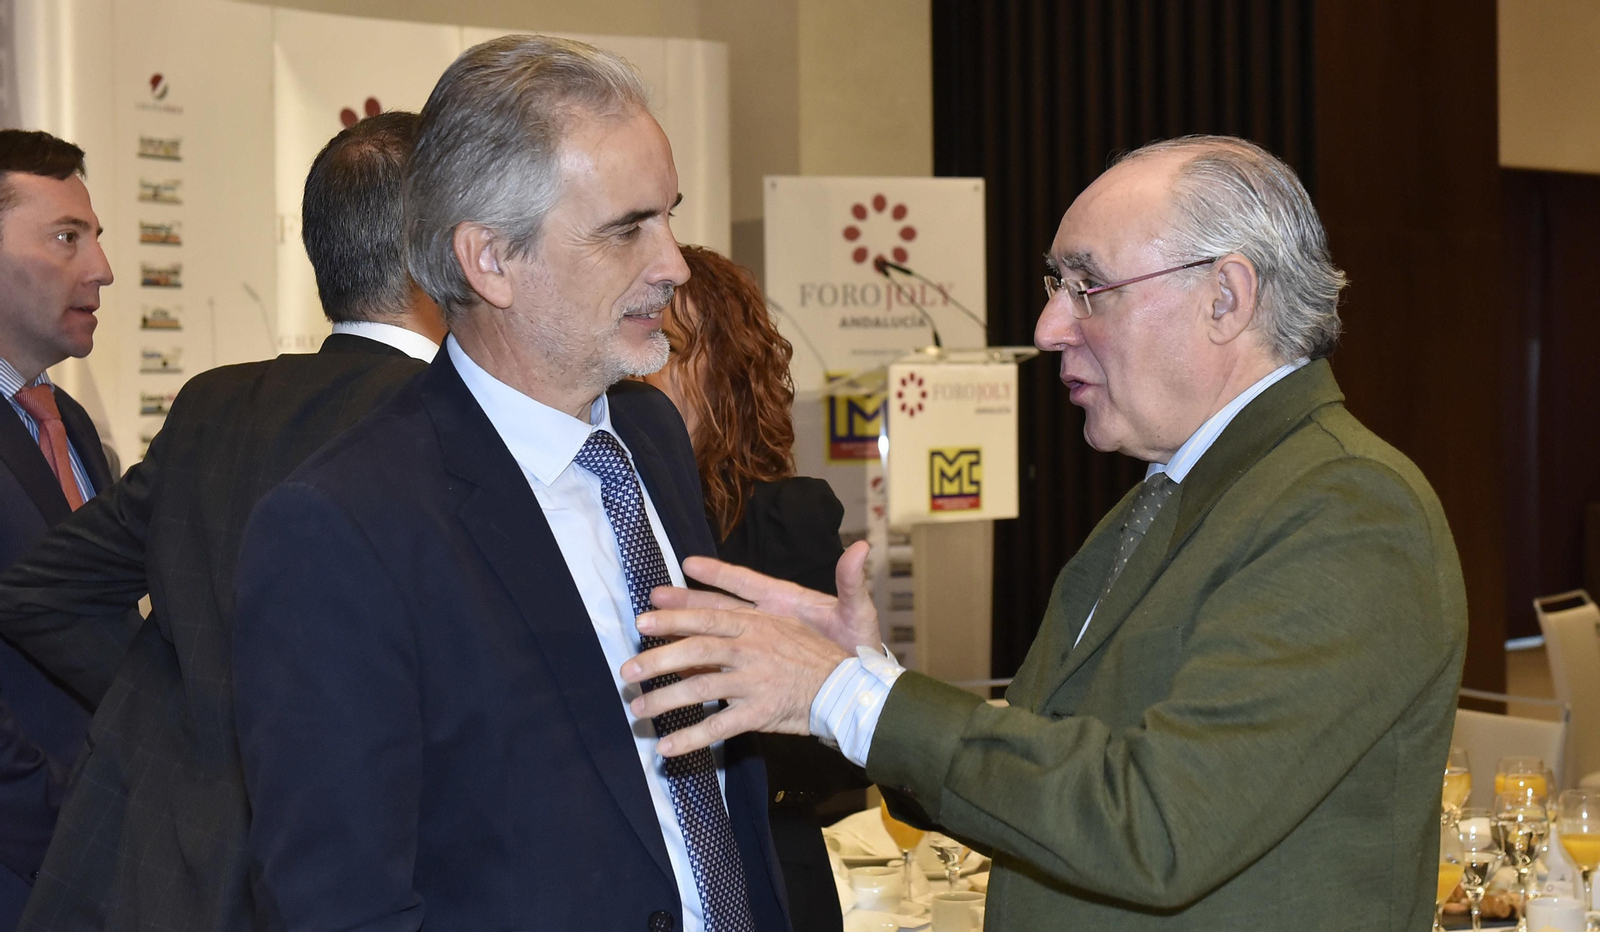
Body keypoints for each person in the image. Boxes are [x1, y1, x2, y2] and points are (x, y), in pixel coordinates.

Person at [623, 135, 1469, 930]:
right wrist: (868, 675)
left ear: (1226, 297)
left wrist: (849, 695)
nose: (1048, 327)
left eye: (1086, 287)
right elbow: (1043, 777)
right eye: (1054, 286)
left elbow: (1158, 824)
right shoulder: (1167, 501)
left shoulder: (1348, 507)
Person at [230, 36, 788, 932]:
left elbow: (711, 790)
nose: (675, 264)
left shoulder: (649, 437)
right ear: (490, 260)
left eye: (669, 217)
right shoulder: (343, 526)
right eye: (627, 229)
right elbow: (342, 903)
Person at [0, 111, 440, 932]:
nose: (102, 268)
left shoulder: (206, 408)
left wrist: (193, 717)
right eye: (66, 237)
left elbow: (45, 595)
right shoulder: (461, 424)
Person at [642, 244, 868, 932]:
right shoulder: (591, 511)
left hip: (769, 874)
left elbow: (837, 763)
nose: (643, 370)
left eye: (668, 346)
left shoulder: (782, 516)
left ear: (725, 373)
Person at [0, 129, 116, 927]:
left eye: (96, 238)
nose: (102, 269)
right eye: (67, 238)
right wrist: (75, 836)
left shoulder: (68, 422)